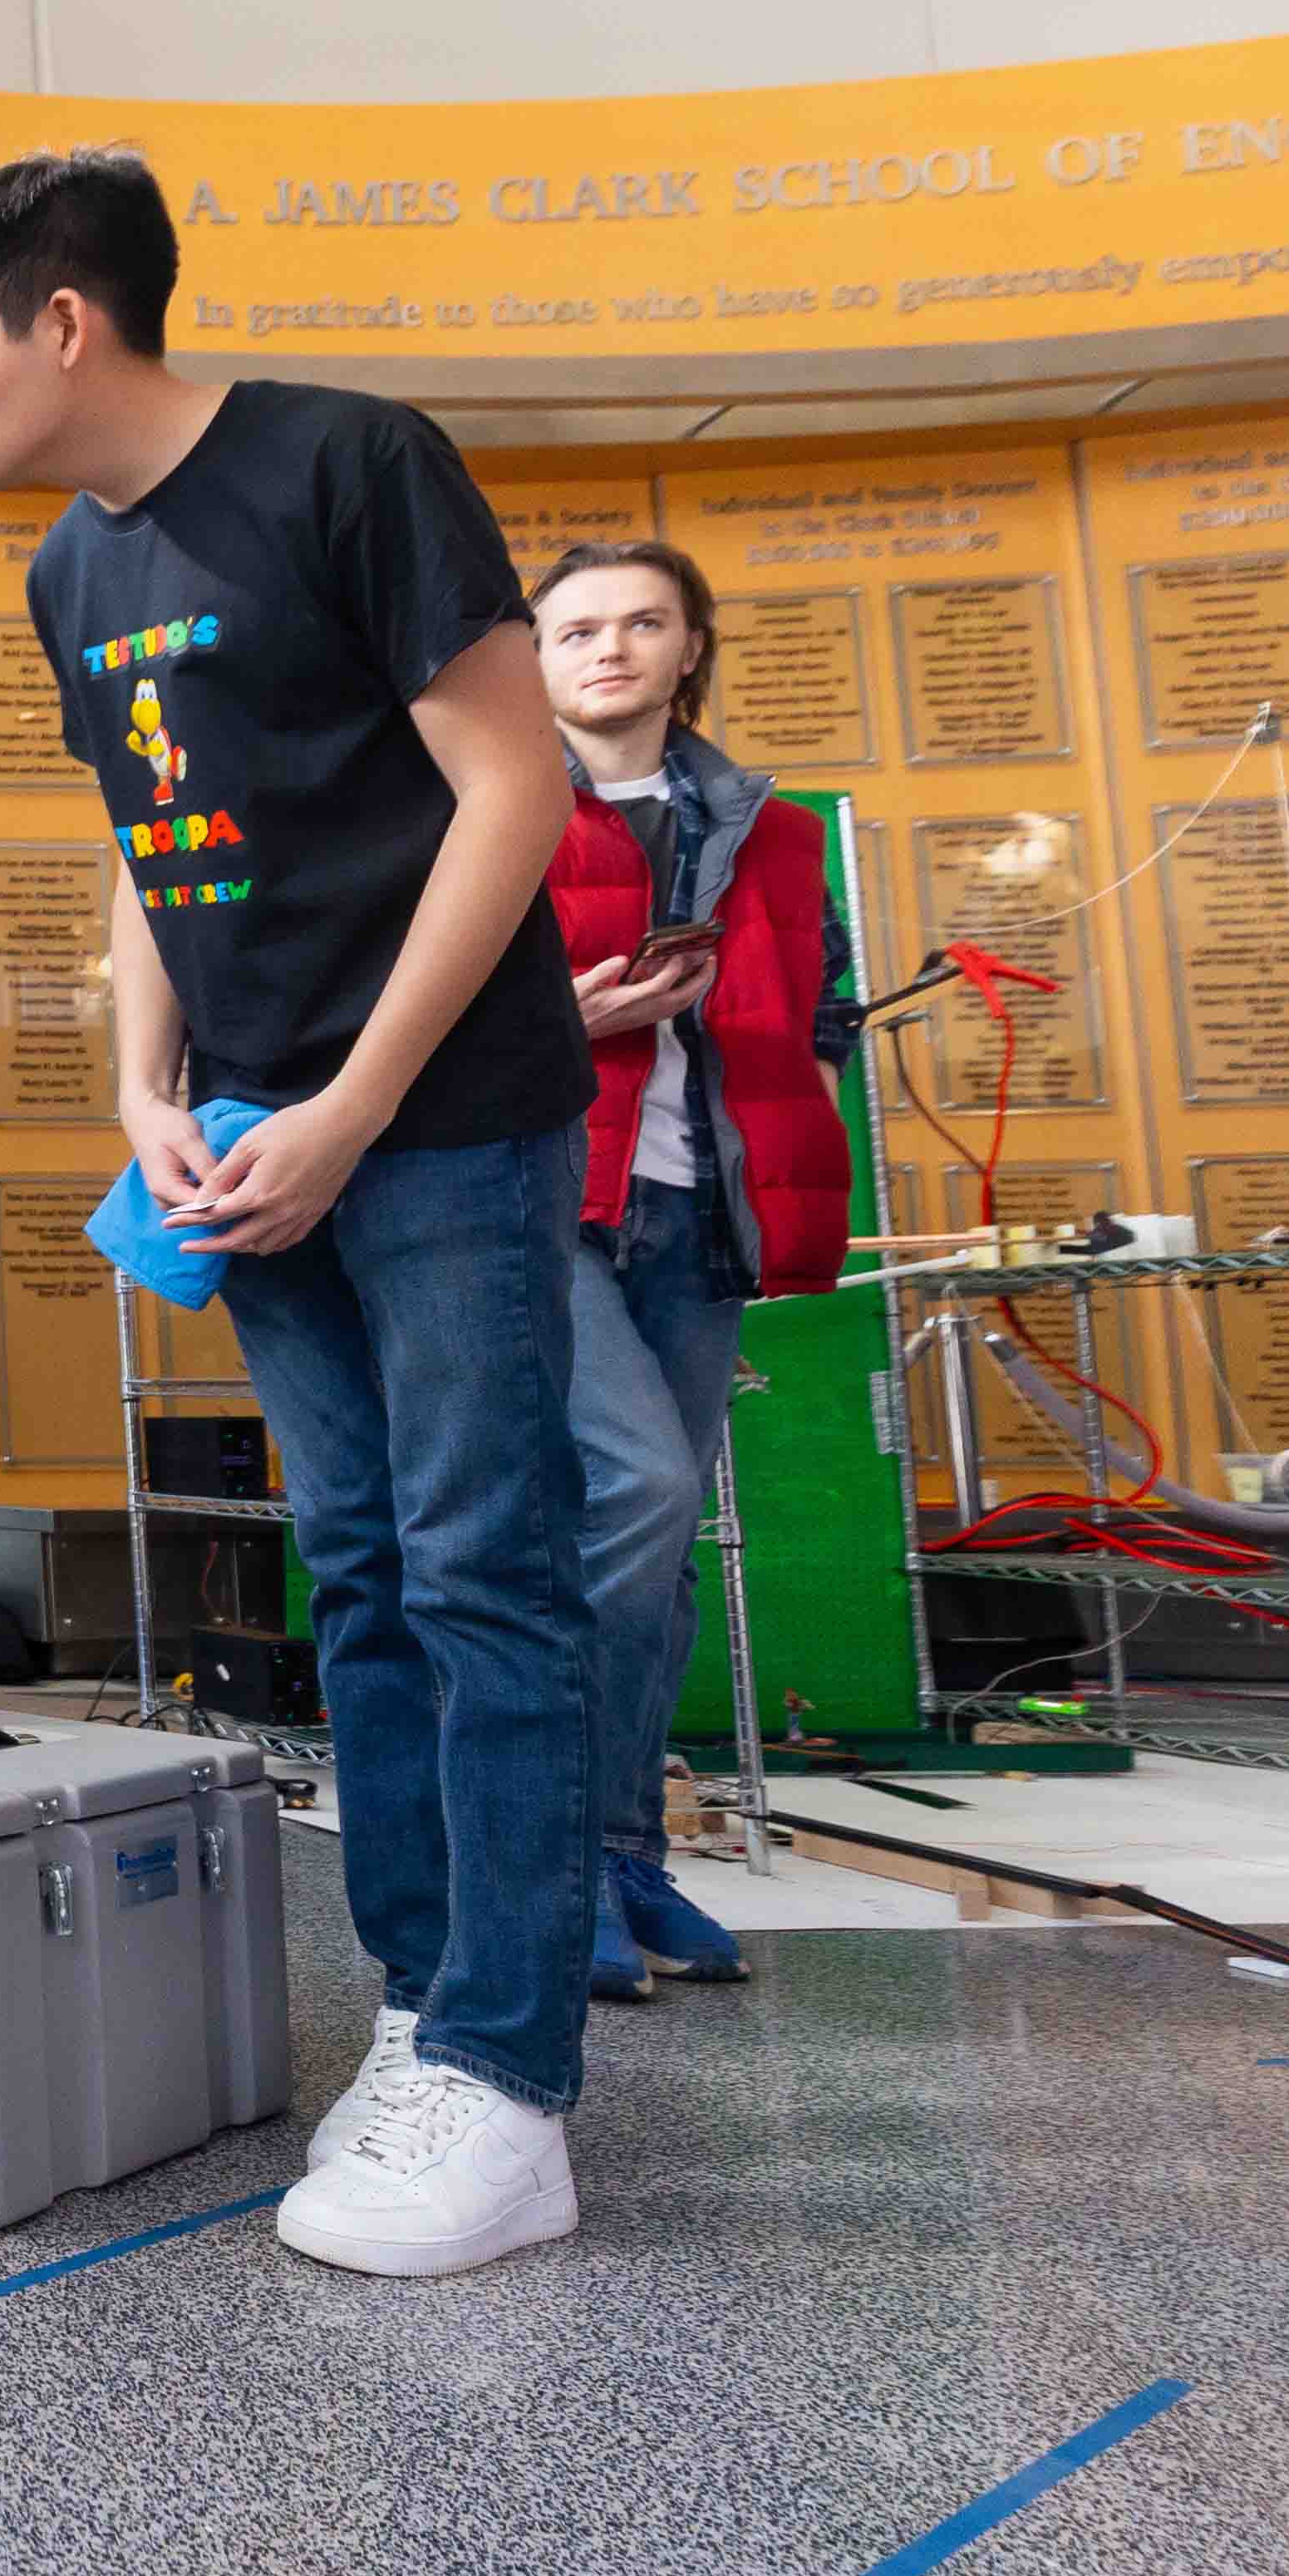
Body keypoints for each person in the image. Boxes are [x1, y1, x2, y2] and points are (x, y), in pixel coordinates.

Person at [0, 149, 601, 2279]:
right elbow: (149, 839)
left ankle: (513, 2083)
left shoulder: (352, 466)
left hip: (442, 1119)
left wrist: (361, 1099)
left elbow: (515, 783)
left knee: (487, 1572)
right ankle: (425, 2006)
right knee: (358, 1570)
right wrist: (144, 1089)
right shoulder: (63, 576)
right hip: (253, 1145)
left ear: (63, 323)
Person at [533, 540, 859, 2002]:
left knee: (656, 1573)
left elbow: (825, 1007)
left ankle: (618, 1855)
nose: (609, 648)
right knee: (643, 1494)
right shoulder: (492, 804)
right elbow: (411, 1012)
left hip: (701, 1218)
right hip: (546, 1210)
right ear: (531, 658)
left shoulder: (774, 832)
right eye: (577, 627)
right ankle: (552, 1862)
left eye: (642, 623)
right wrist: (573, 1016)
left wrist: (780, 1059)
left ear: (690, 648)